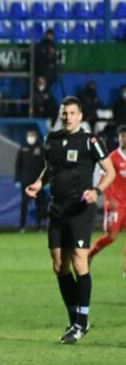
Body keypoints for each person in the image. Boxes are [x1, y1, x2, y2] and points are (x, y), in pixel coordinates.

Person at [25, 97, 115, 344]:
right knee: (58, 265)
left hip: (80, 208)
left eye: (72, 113)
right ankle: (75, 318)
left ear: (80, 116)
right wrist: (39, 183)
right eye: (64, 113)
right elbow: (49, 169)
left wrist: (96, 191)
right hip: (57, 208)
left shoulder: (90, 141)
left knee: (79, 260)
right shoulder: (51, 139)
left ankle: (81, 322)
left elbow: (110, 171)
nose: (68, 117)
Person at [89, 125, 126, 276]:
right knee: (111, 237)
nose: (124, 139)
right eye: (122, 136)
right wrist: (109, 199)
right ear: (119, 138)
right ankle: (89, 254)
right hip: (115, 203)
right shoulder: (112, 158)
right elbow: (104, 180)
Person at [14, 128, 47, 231]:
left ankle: (40, 226)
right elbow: (18, 165)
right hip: (25, 180)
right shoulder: (23, 148)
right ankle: (22, 226)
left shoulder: (41, 148)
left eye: (32, 135)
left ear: (36, 136)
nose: (30, 137)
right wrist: (17, 179)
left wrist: (46, 180)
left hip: (37, 181)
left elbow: (45, 166)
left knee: (39, 204)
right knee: (24, 204)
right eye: (29, 135)